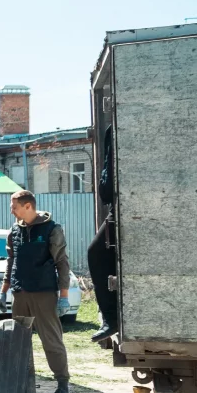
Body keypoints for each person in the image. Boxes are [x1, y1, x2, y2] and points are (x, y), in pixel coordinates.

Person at [0, 190, 72, 393]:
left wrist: (64, 296)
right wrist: (4, 292)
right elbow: (11, 262)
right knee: (18, 342)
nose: (11, 210)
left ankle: (62, 385)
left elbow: (62, 263)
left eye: (14, 206)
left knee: (51, 341)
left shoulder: (51, 229)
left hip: (44, 294)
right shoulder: (14, 230)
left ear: (28, 206)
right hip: (20, 294)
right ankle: (22, 383)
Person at [87, 127, 117, 342]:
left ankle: (111, 318)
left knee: (96, 254)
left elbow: (110, 169)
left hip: (124, 205)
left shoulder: (116, 126)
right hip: (121, 204)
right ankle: (112, 318)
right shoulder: (113, 126)